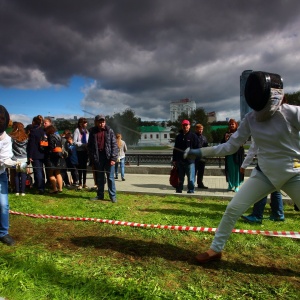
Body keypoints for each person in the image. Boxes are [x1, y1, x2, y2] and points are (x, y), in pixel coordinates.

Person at [184, 71, 300, 263]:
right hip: (265, 173)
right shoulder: (251, 118)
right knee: (233, 208)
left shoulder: (292, 113)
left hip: (294, 173)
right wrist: (201, 152)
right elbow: (230, 146)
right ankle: (215, 250)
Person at [240, 141, 284, 223]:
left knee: (261, 189)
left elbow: (252, 150)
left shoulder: (261, 131)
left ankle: (257, 215)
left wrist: (244, 165)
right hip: (279, 163)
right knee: (275, 189)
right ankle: (278, 214)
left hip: (266, 164)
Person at [88, 114, 118, 203]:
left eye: (103, 122)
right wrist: (92, 158)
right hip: (98, 158)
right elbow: (90, 146)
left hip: (108, 157)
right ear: (96, 122)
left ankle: (112, 196)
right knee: (100, 178)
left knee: (110, 178)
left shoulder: (109, 131)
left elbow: (114, 145)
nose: (101, 123)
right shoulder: (92, 132)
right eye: (100, 122)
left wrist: (113, 158)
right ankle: (100, 195)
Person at [0, 105, 16, 246]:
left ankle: (3, 233)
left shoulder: (5, 138)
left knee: (3, 205)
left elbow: (5, 158)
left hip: (0, 175)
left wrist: (12, 163)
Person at [172, 119, 199, 194]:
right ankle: (179, 190)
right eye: (184, 125)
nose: (185, 126)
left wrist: (192, 154)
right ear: (182, 126)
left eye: (186, 125)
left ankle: (191, 190)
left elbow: (197, 148)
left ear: (189, 126)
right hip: (180, 161)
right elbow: (175, 149)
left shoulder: (193, 136)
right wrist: (174, 160)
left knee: (190, 178)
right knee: (180, 178)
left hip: (190, 161)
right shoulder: (179, 137)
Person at [221, 119, 245, 192]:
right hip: (230, 155)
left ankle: (237, 185)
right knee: (230, 169)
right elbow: (222, 143)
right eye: (230, 124)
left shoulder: (239, 133)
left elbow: (243, 141)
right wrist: (226, 139)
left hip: (238, 154)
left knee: (237, 170)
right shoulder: (227, 133)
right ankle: (230, 184)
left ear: (236, 125)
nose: (231, 125)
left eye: (233, 124)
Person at [27, 115, 46, 194]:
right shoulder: (43, 130)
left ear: (34, 122)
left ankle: (40, 188)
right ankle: (41, 185)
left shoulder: (33, 131)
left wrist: (30, 155)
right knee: (41, 170)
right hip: (43, 152)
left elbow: (32, 144)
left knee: (37, 170)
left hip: (35, 153)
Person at [44, 125, 65, 193]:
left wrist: (46, 150)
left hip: (51, 157)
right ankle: (60, 188)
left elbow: (51, 147)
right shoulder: (59, 136)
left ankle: (54, 188)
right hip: (59, 156)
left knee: (50, 173)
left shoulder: (50, 137)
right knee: (58, 173)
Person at [9, 122, 28, 196]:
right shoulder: (25, 137)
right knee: (23, 175)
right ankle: (23, 191)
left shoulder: (12, 137)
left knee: (16, 175)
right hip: (24, 157)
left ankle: (17, 191)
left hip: (15, 158)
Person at [73, 117, 89, 189]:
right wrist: (82, 144)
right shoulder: (77, 130)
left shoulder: (86, 131)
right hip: (79, 150)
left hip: (86, 150)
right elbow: (74, 142)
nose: (86, 124)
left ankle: (84, 183)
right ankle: (80, 183)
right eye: (85, 122)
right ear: (80, 123)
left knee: (85, 167)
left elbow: (88, 140)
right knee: (80, 167)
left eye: (86, 122)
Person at [194, 124, 209, 189]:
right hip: (194, 157)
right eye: (199, 129)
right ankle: (191, 184)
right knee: (193, 171)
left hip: (202, 157)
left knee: (201, 171)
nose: (200, 130)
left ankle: (200, 183)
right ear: (196, 129)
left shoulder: (204, 138)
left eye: (201, 129)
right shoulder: (193, 137)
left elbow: (206, 147)